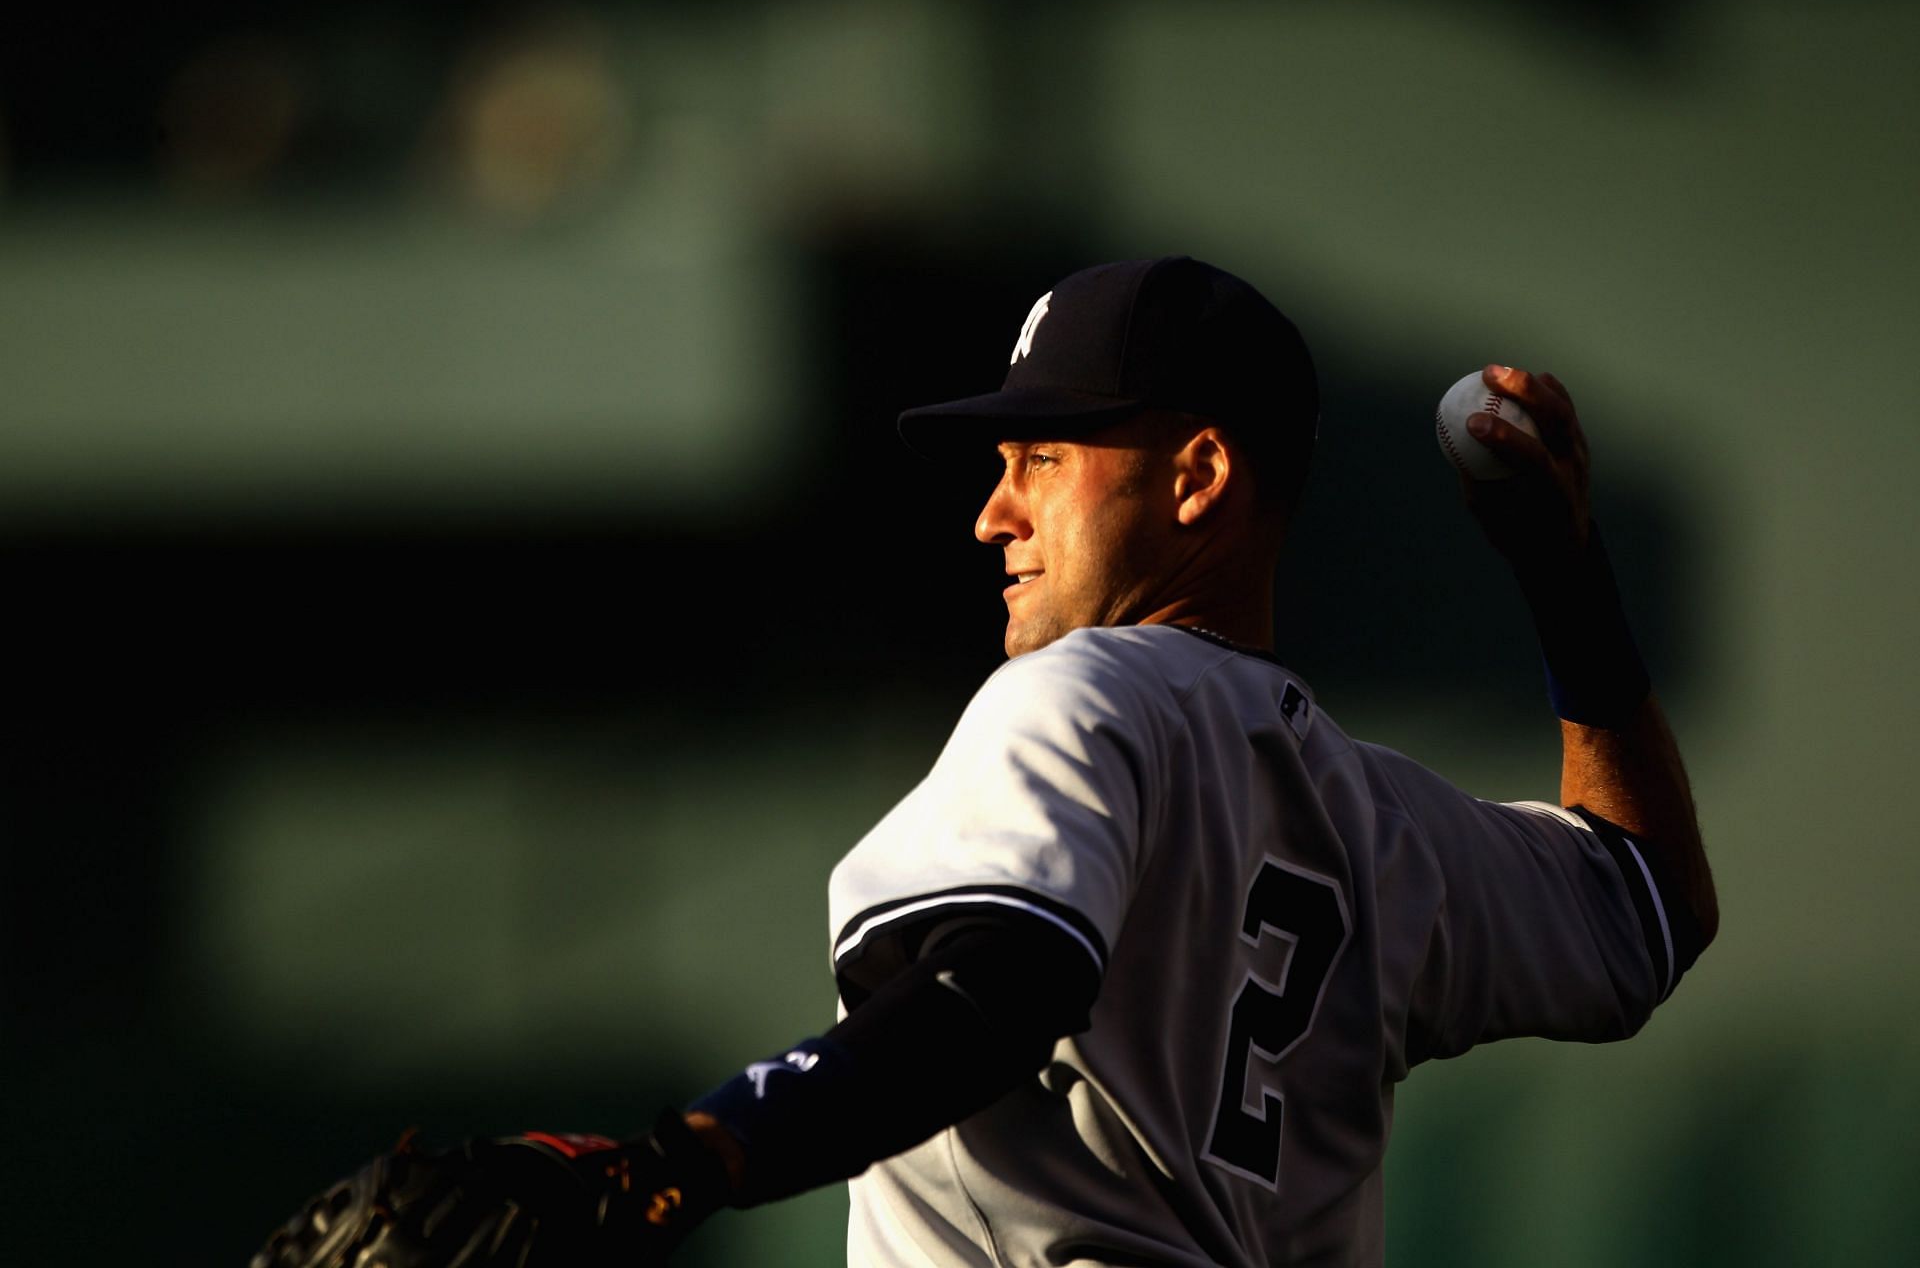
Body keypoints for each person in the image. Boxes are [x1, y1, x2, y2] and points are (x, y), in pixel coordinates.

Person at [254, 256, 1716, 1268]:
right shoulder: (1382, 822)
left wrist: (676, 1166)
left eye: (1045, 458)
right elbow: (1647, 905)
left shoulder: (1085, 699)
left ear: (1197, 478)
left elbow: (996, 987)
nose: (991, 514)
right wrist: (1562, 577)